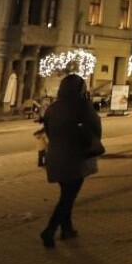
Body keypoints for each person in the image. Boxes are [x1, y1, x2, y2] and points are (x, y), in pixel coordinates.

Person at [39, 74, 102, 248]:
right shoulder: (81, 106)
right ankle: (49, 230)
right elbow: (96, 127)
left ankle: (67, 228)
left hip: (55, 155)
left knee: (66, 193)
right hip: (75, 155)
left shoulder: (53, 107)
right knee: (68, 197)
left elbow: (48, 130)